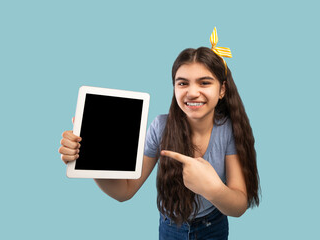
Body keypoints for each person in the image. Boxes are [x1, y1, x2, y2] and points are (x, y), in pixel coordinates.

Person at [59, 28, 260, 240]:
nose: (192, 92)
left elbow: (238, 206)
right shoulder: (160, 127)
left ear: (222, 90)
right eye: (182, 83)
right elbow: (125, 191)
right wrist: (90, 159)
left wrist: (213, 189)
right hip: (170, 228)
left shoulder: (228, 130)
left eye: (204, 82)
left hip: (213, 226)